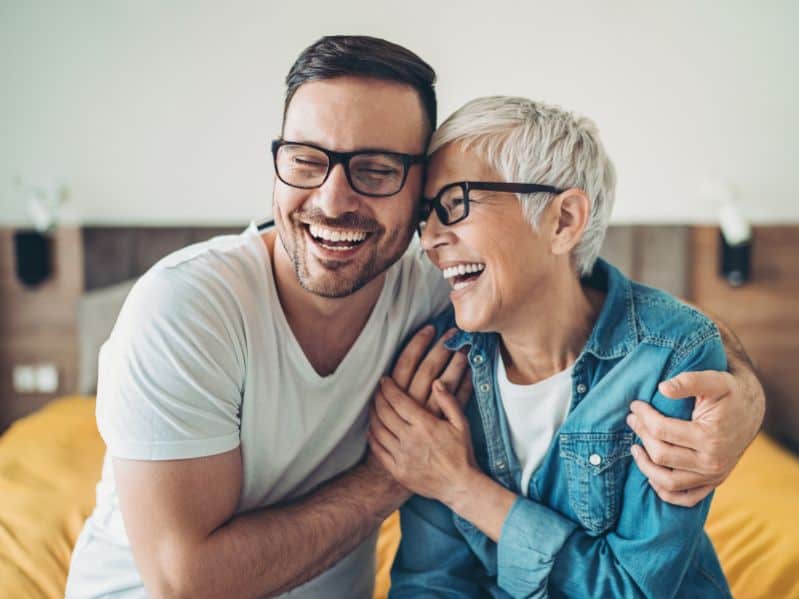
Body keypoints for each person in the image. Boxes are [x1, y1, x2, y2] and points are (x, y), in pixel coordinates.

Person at [66, 36, 762, 599]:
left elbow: (648, 327)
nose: (334, 200)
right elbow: (186, 583)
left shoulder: (448, 301)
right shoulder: (189, 307)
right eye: (305, 162)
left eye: (375, 170)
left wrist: (743, 398)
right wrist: (398, 475)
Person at [370, 96, 735, 597]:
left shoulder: (671, 358)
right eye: (426, 215)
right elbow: (432, 583)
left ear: (563, 221)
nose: (430, 238)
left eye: (455, 204)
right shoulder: (440, 360)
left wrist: (462, 487)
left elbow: (632, 590)